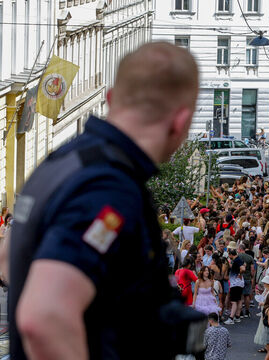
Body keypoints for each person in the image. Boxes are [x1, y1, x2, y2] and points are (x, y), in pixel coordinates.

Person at [8, 42, 202, 359]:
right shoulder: (108, 188)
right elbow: (44, 317)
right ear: (180, 121)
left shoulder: (64, 162)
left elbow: (9, 257)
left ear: (111, 98)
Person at [225, 248, 245, 324]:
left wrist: (240, 274)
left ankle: (231, 318)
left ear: (230, 255)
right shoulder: (238, 260)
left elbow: (243, 268)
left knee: (233, 301)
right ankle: (237, 316)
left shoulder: (237, 260)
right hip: (239, 283)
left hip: (235, 283)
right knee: (239, 300)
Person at [238, 242, 255, 318]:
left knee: (240, 296)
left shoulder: (237, 257)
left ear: (240, 249)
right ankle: (247, 311)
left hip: (239, 278)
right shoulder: (250, 257)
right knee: (247, 295)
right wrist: (252, 277)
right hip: (247, 278)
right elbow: (252, 269)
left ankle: (240, 312)